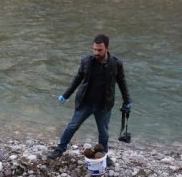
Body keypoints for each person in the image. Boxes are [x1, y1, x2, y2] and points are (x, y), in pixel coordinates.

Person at [47, 34, 132, 167]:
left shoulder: (116, 64)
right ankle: (59, 149)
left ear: (107, 48)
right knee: (72, 126)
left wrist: (127, 100)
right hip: (85, 102)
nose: (96, 53)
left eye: (99, 50)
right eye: (94, 49)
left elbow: (122, 82)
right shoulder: (86, 61)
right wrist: (66, 95)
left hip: (104, 105)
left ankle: (103, 155)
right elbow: (77, 79)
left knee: (104, 133)